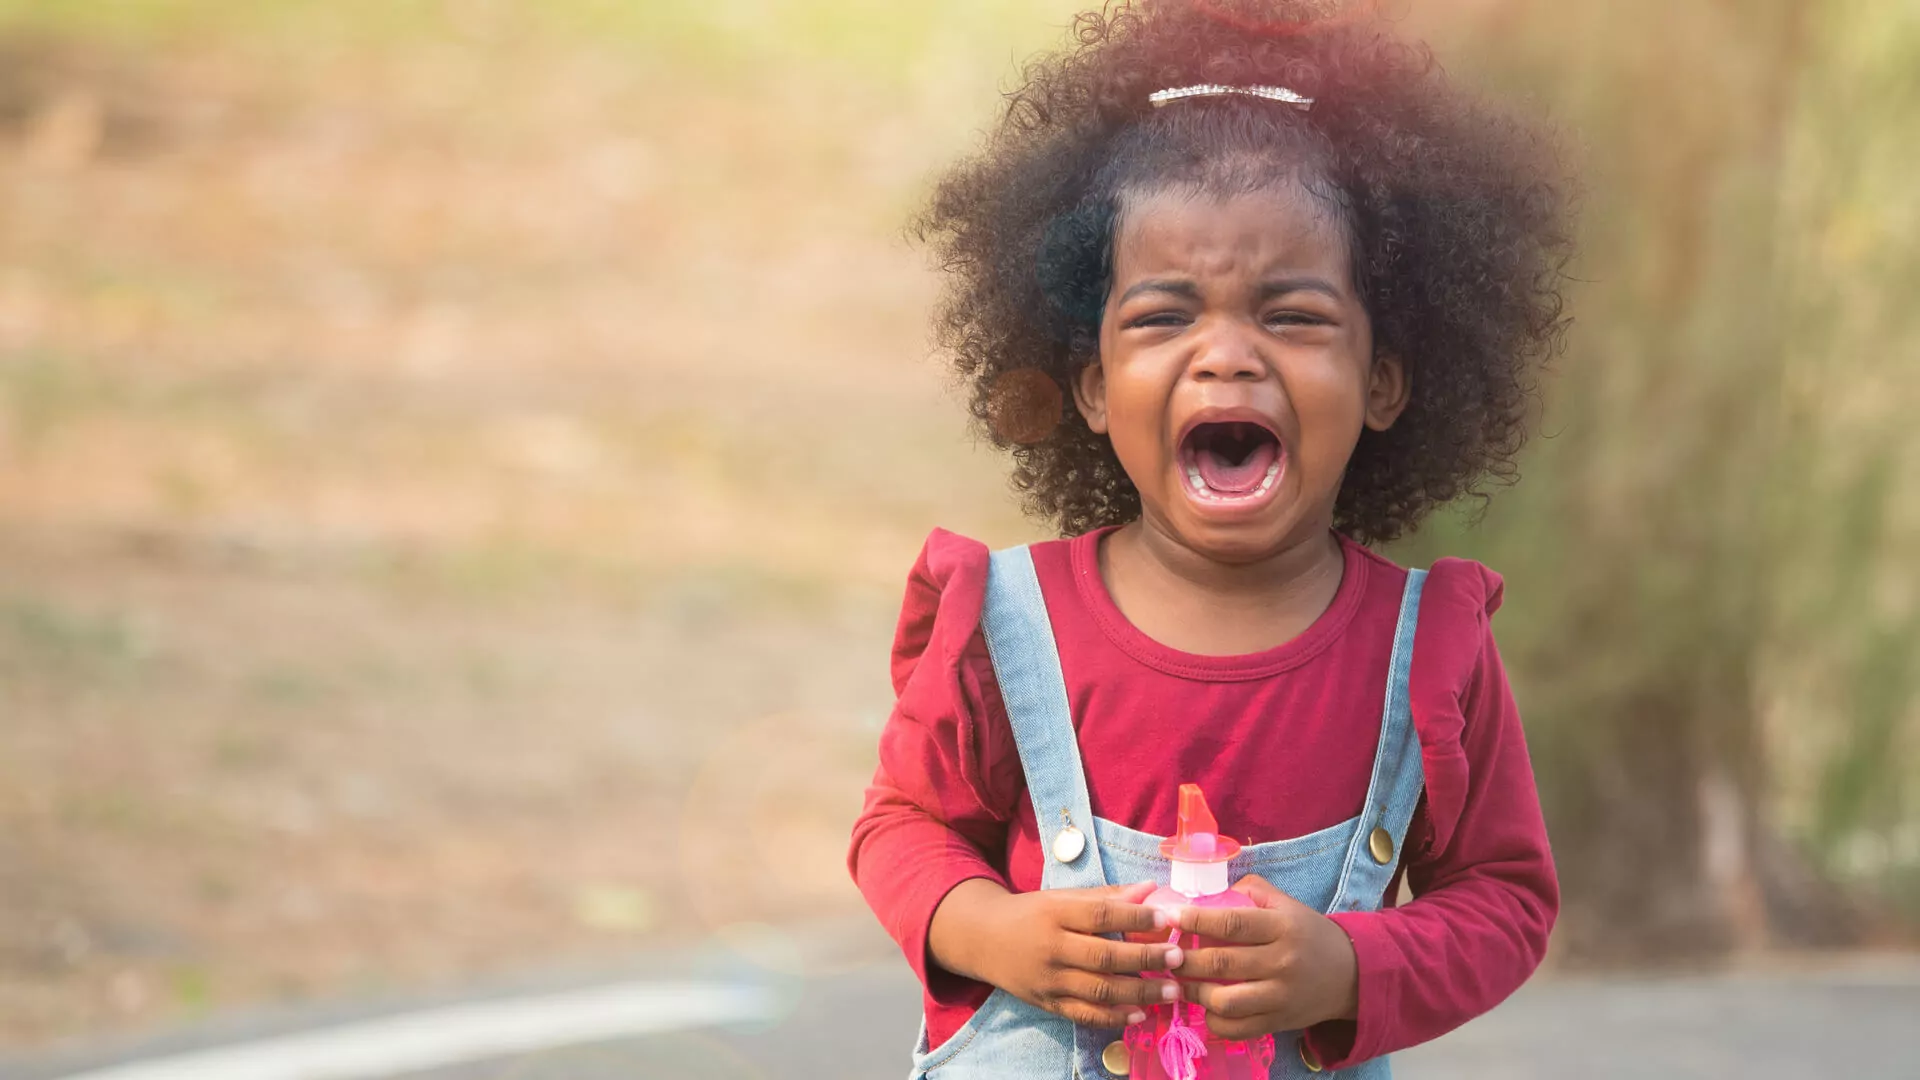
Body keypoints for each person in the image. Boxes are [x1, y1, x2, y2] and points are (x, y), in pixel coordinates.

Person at [848, 1, 1572, 1076]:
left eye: (1292, 316)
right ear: (1094, 388)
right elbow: (901, 829)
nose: (1226, 354)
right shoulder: (1003, 624)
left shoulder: (1428, 649)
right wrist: (992, 930)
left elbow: (1504, 899)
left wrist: (1347, 966)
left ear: (1383, 382)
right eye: (1163, 316)